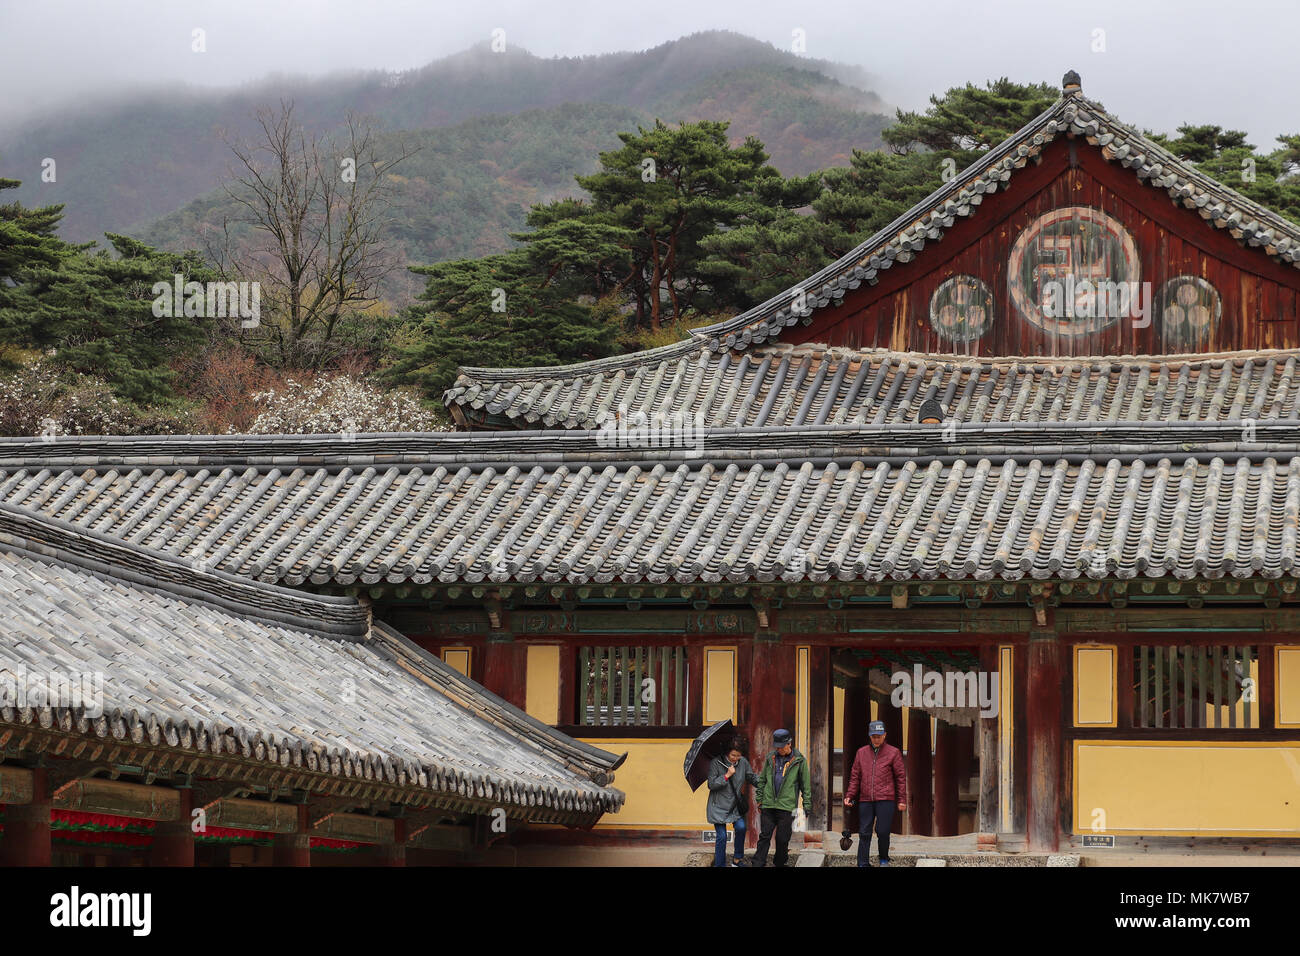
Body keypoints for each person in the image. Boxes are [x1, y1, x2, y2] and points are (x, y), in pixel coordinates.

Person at [843, 719, 907, 867]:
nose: (876, 739)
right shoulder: (861, 753)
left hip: (886, 798)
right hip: (866, 799)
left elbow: (900, 778)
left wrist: (902, 799)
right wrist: (849, 795)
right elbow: (855, 777)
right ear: (869, 736)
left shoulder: (893, 753)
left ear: (885, 735)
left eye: (879, 736)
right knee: (864, 832)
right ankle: (862, 863)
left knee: (883, 831)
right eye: (874, 736)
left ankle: (883, 858)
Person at [753, 728, 811, 867]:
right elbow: (762, 781)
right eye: (777, 746)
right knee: (764, 836)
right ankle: (757, 863)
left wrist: (807, 806)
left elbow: (806, 785)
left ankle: (779, 863)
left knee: (782, 839)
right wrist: (759, 799)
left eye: (781, 746)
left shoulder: (799, 761)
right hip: (768, 804)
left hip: (787, 806)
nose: (778, 749)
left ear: (789, 743)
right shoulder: (770, 758)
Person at [706, 739, 759, 867]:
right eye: (733, 755)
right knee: (722, 837)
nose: (736, 758)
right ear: (727, 753)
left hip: (734, 805)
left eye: (738, 755)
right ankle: (720, 864)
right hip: (718, 806)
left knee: (741, 827)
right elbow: (711, 784)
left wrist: (765, 782)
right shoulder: (716, 763)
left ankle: (737, 860)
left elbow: (751, 777)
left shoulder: (743, 762)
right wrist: (726, 775)